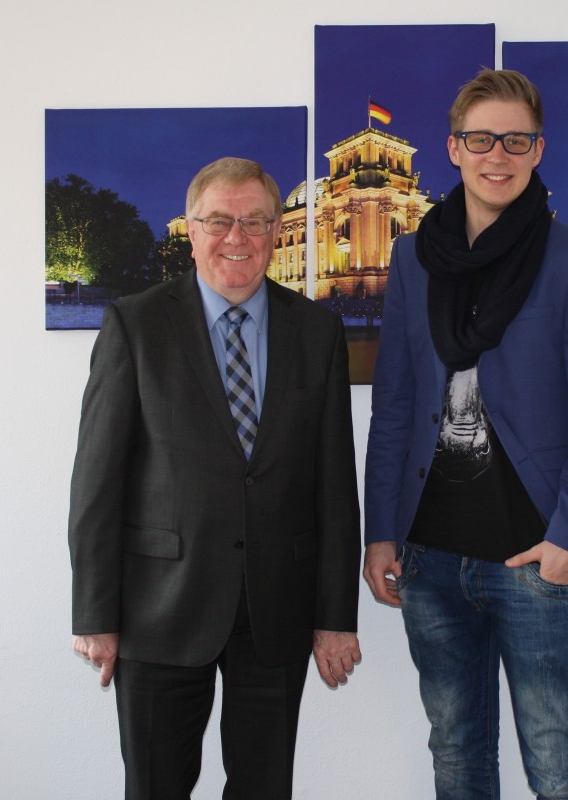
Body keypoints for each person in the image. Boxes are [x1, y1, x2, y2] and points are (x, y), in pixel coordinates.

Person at [363, 69, 568, 800]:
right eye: (481, 139)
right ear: (453, 148)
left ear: (538, 151)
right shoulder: (414, 258)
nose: (497, 156)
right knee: (457, 759)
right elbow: (395, 404)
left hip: (534, 558)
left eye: (516, 140)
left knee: (559, 767)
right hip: (431, 559)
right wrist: (380, 530)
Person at [69, 157, 361, 800]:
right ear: (192, 232)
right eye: (219, 221)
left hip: (277, 608)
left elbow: (336, 485)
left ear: (275, 227)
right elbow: (96, 483)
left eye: (255, 221)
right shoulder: (135, 324)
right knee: (156, 787)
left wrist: (337, 615)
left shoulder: (317, 330)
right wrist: (96, 612)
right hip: (157, 607)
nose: (238, 237)